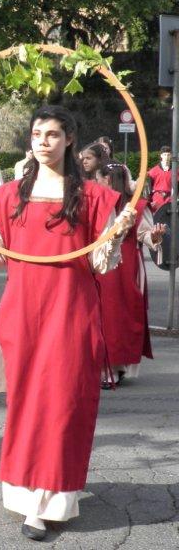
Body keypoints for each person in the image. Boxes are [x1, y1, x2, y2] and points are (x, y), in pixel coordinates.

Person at [0, 105, 135, 540]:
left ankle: (47, 500)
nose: (43, 141)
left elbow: (100, 263)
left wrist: (117, 231)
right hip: (23, 313)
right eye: (36, 134)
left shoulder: (93, 196)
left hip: (72, 312)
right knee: (27, 405)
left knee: (64, 403)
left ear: (69, 139)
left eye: (52, 134)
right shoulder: (9, 195)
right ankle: (26, 492)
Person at [96, 162, 164, 387]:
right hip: (99, 263)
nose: (97, 183)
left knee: (119, 315)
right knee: (98, 315)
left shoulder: (136, 205)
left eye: (99, 179)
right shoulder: (98, 202)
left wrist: (154, 236)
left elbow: (146, 235)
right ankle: (102, 365)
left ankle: (115, 366)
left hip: (126, 267)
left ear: (108, 180)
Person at [148, 146, 173, 212]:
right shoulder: (153, 171)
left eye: (168, 155)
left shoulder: (176, 171)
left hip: (170, 198)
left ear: (171, 156)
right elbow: (149, 188)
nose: (166, 157)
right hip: (157, 198)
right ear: (161, 155)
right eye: (165, 155)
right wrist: (149, 201)